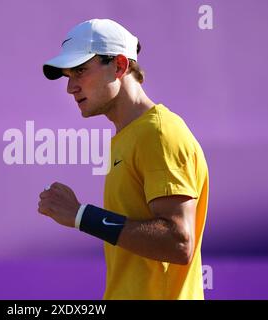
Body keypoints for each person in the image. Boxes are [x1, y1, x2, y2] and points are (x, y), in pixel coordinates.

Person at [38, 18, 209, 300]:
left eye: (80, 71)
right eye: (69, 76)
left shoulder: (159, 132)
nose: (71, 88)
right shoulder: (131, 136)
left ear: (119, 65)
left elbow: (179, 242)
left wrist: (82, 216)